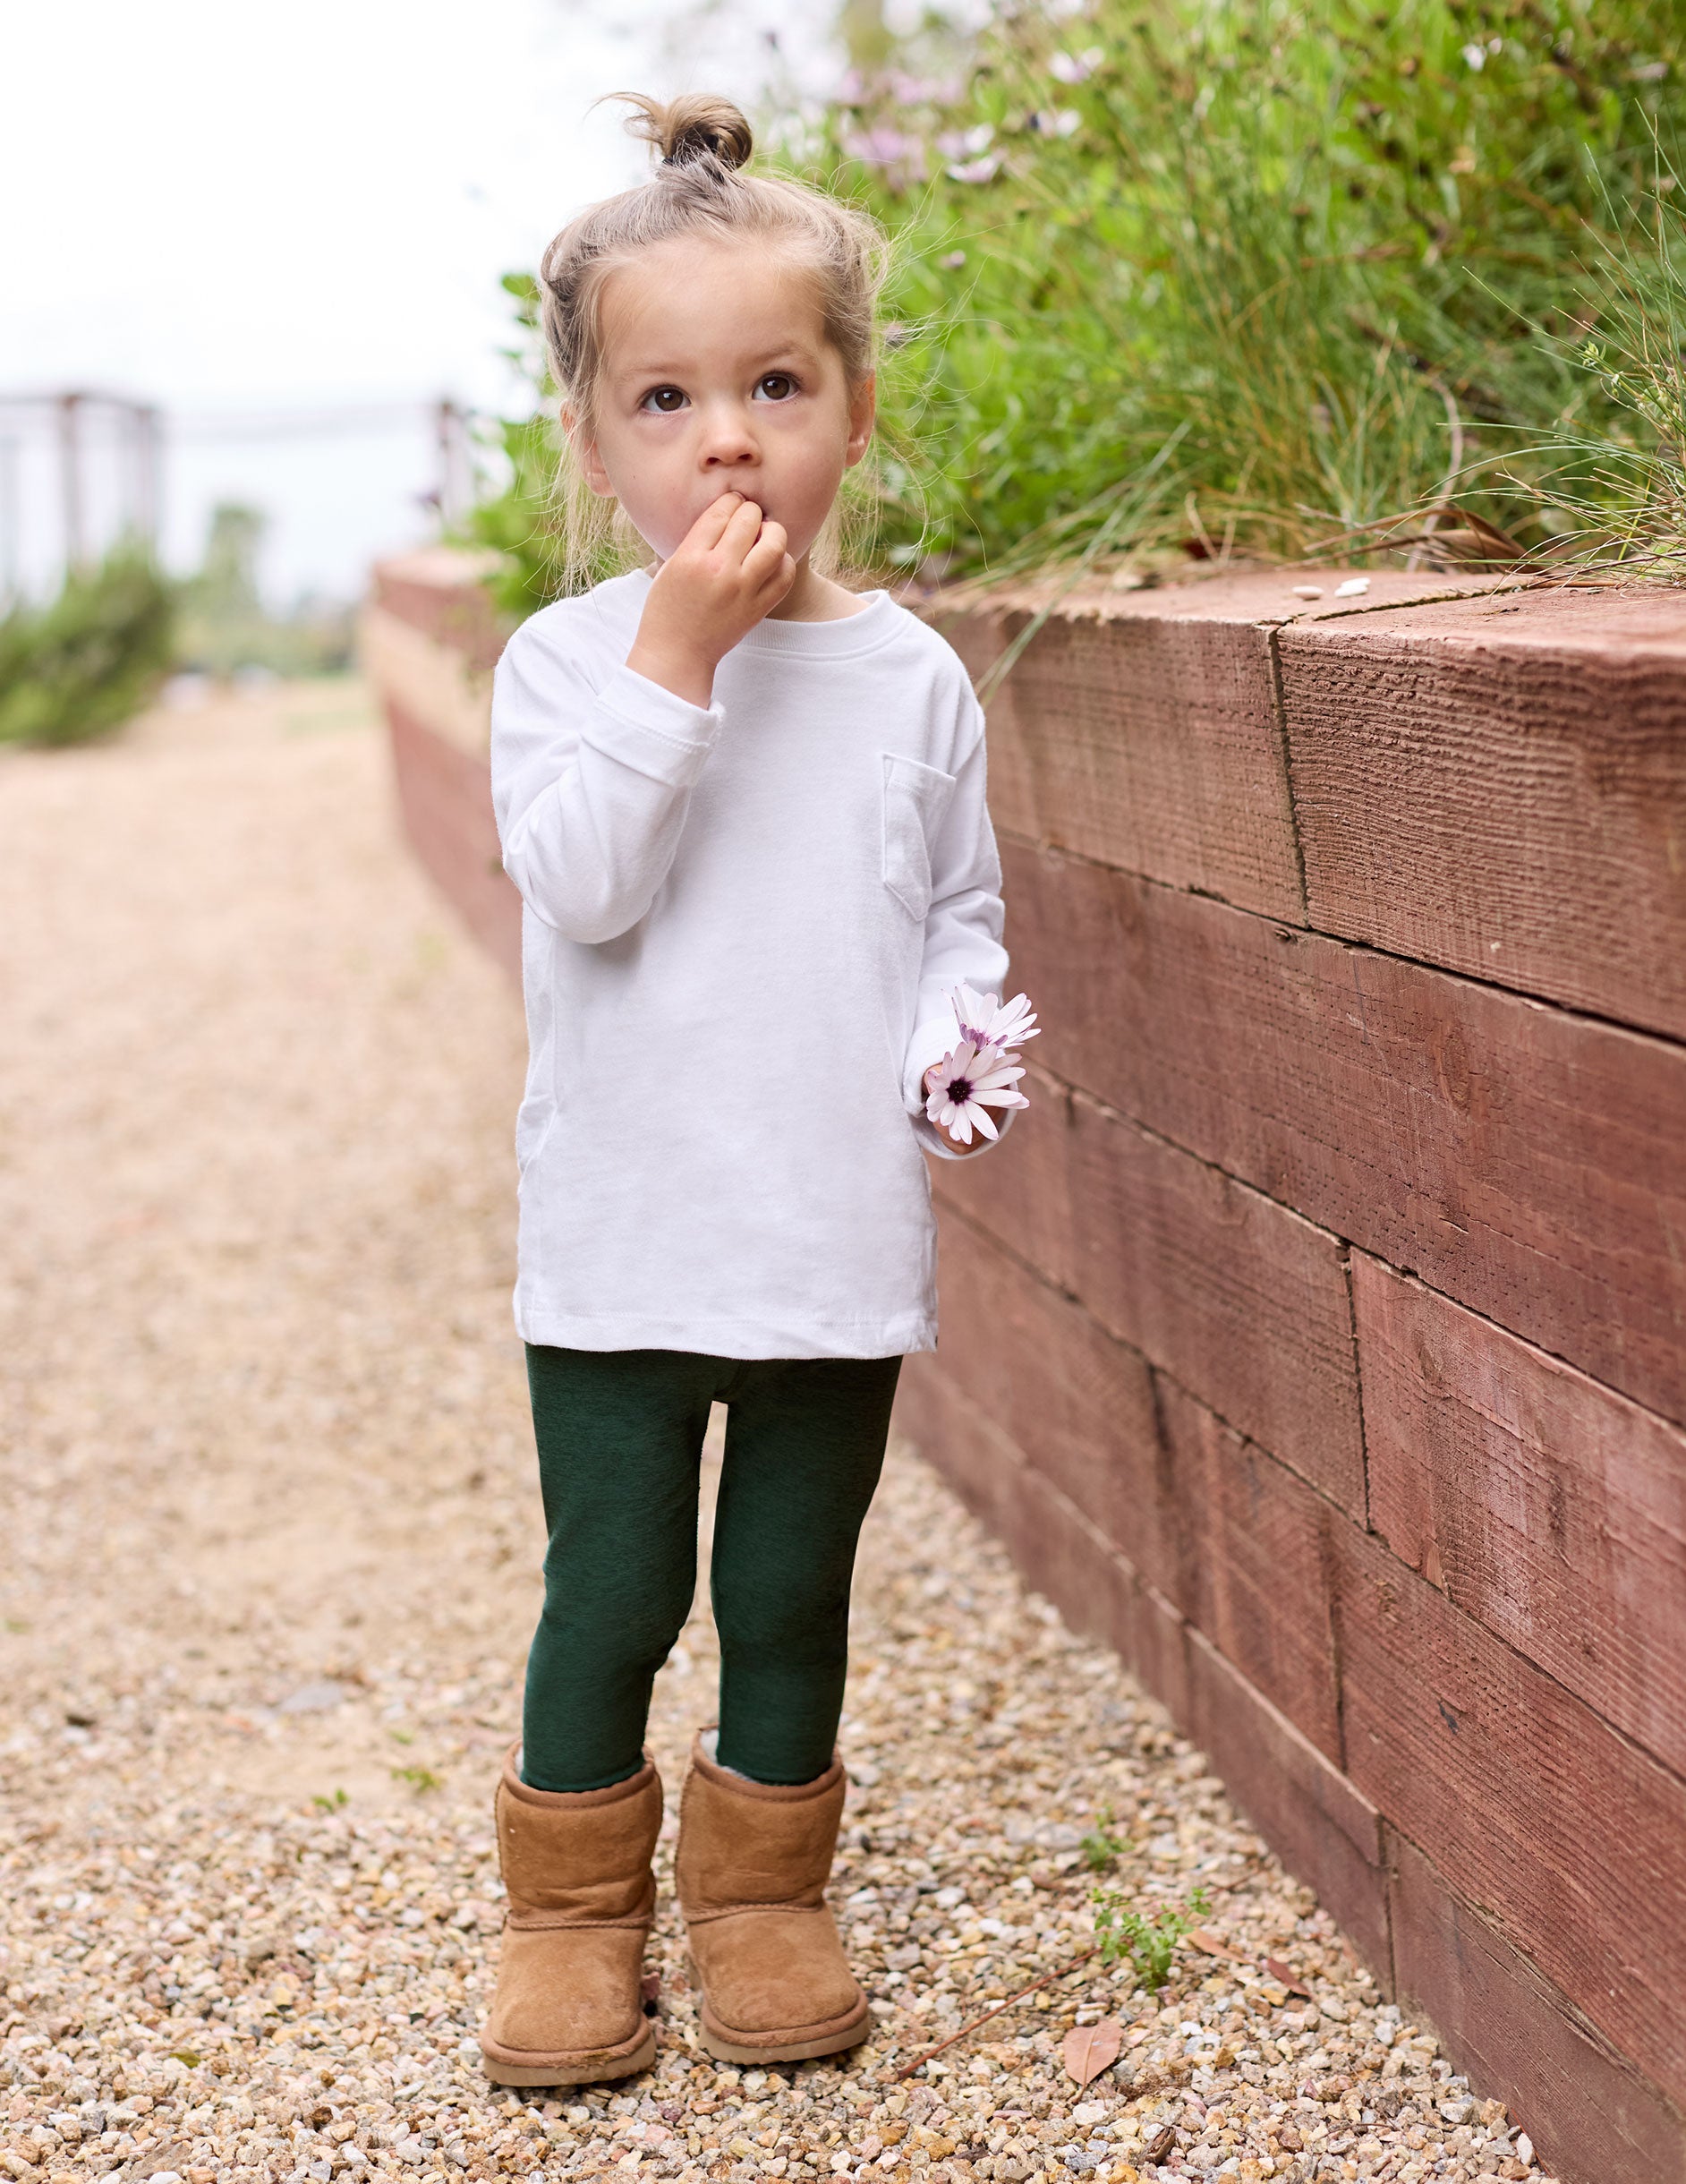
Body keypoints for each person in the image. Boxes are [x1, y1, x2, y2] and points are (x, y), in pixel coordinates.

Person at [479, 89, 1027, 2089]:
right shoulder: (567, 666)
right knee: (613, 1586)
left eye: (776, 382)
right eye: (667, 398)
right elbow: (589, 882)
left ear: (851, 414)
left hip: (825, 1230)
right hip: (627, 1237)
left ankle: (769, 1891)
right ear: (598, 439)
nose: (727, 433)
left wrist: (958, 1039)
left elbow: (953, 909)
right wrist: (680, 659)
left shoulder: (909, 681)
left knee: (790, 1583)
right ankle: (566, 1915)